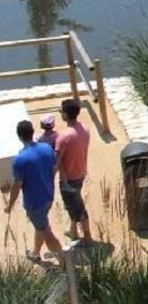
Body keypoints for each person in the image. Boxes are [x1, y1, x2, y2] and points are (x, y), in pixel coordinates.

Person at [4, 120, 64, 264]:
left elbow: (16, 186)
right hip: (48, 196)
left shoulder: (20, 160)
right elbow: (55, 167)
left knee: (46, 232)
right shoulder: (46, 148)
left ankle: (64, 262)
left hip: (35, 204)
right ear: (32, 132)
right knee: (41, 226)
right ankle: (35, 253)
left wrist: (9, 205)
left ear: (19, 136)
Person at [54, 98, 92, 243]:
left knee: (77, 207)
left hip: (68, 179)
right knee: (73, 204)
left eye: (61, 111)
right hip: (80, 172)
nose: (60, 113)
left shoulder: (63, 137)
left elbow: (56, 161)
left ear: (66, 114)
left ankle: (87, 236)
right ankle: (73, 231)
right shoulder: (85, 129)